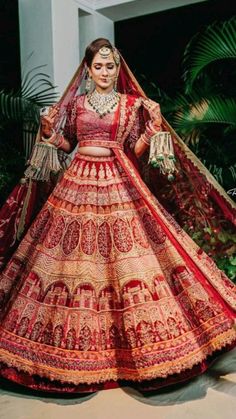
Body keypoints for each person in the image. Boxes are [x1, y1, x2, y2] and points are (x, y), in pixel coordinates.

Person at [0, 38, 235, 394]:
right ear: (88, 70)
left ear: (118, 68)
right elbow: (66, 146)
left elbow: (135, 151)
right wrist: (49, 132)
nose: (105, 72)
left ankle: (141, 352)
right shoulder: (76, 105)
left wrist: (153, 128)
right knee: (71, 265)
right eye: (98, 66)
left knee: (129, 263)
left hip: (118, 181)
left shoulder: (130, 105)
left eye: (110, 66)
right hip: (76, 183)